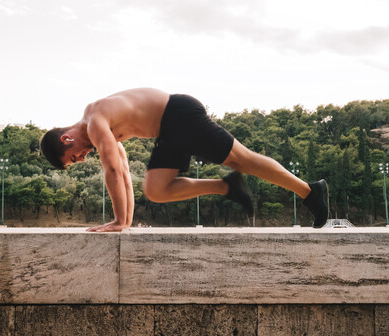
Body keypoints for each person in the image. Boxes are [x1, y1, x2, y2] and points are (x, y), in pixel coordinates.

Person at [40, 88, 328, 232]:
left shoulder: (95, 119)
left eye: (73, 157)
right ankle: (227, 186)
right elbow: (124, 171)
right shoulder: (101, 127)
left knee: (244, 160)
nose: (82, 158)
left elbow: (112, 169)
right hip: (169, 131)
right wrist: (123, 222)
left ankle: (310, 191)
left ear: (67, 140)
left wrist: (116, 220)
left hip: (178, 115)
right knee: (156, 190)